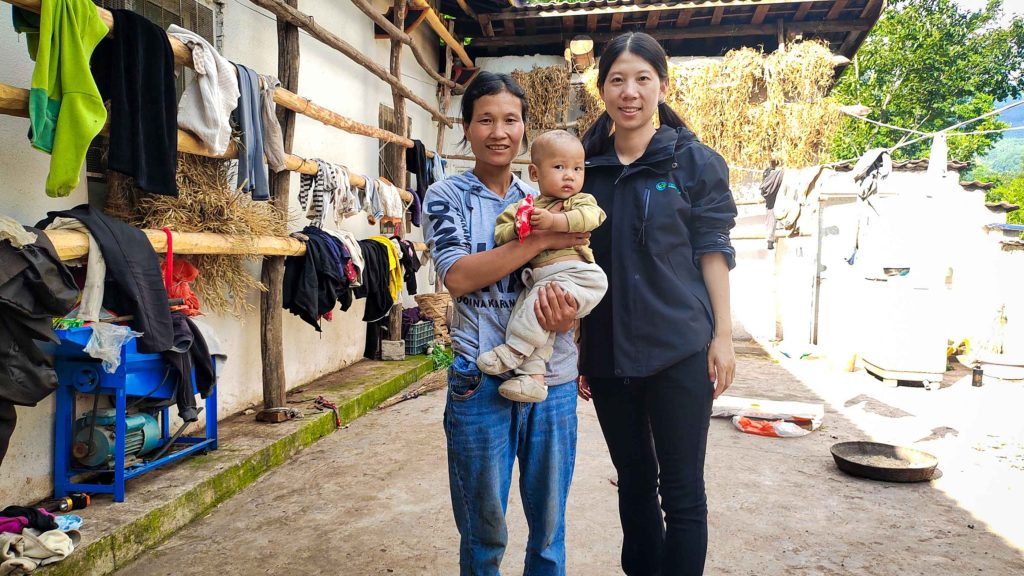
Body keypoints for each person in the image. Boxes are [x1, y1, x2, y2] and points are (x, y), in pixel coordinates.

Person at [575, 32, 738, 576]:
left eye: (642, 79)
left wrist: (722, 337)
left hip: (680, 350)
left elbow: (713, 251)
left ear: (662, 87)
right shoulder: (585, 169)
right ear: (602, 90)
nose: (630, 92)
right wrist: (579, 343)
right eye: (617, 80)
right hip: (609, 351)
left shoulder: (693, 163)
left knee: (683, 491)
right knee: (635, 482)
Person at [423, 72, 588, 576]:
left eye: (510, 120)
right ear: (466, 127)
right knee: (484, 531)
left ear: (524, 128)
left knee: (550, 528)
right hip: (480, 378)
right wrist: (539, 241)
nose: (499, 132)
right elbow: (458, 277)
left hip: (553, 378)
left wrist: (570, 315)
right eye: (485, 120)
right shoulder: (445, 196)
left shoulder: (547, 199)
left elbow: (577, 271)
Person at [477, 130, 608, 403]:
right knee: (530, 312)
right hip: (541, 279)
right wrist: (517, 228)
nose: (569, 176)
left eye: (577, 168)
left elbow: (592, 217)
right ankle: (533, 380)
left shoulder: (579, 201)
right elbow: (500, 232)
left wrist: (553, 222)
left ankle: (514, 350)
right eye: (559, 167)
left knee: (536, 305)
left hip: (578, 276)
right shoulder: (525, 206)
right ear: (534, 173)